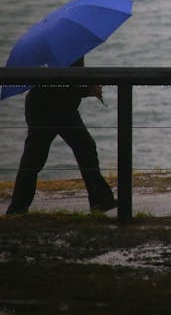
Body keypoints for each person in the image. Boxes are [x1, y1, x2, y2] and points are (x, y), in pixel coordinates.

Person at [5, 57, 117, 215]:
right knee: (37, 158)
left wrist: (87, 86)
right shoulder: (68, 53)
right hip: (48, 108)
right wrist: (87, 90)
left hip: (56, 107)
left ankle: (100, 200)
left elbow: (70, 81)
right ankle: (17, 208)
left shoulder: (70, 52)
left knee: (82, 148)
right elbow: (62, 84)